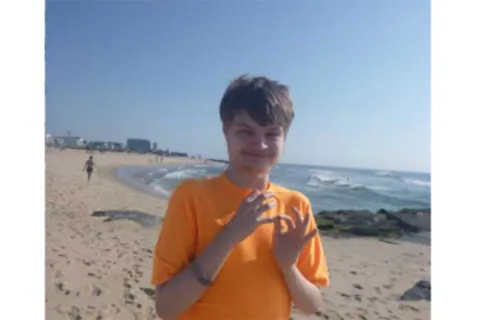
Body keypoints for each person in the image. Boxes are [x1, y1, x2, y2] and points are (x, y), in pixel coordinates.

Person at [151, 75, 329, 320]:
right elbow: (166, 308)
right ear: (226, 131)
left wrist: (288, 267)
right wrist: (229, 236)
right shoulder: (191, 196)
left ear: (284, 137)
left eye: (271, 134)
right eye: (246, 132)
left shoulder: (296, 206)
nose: (260, 144)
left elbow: (312, 305)